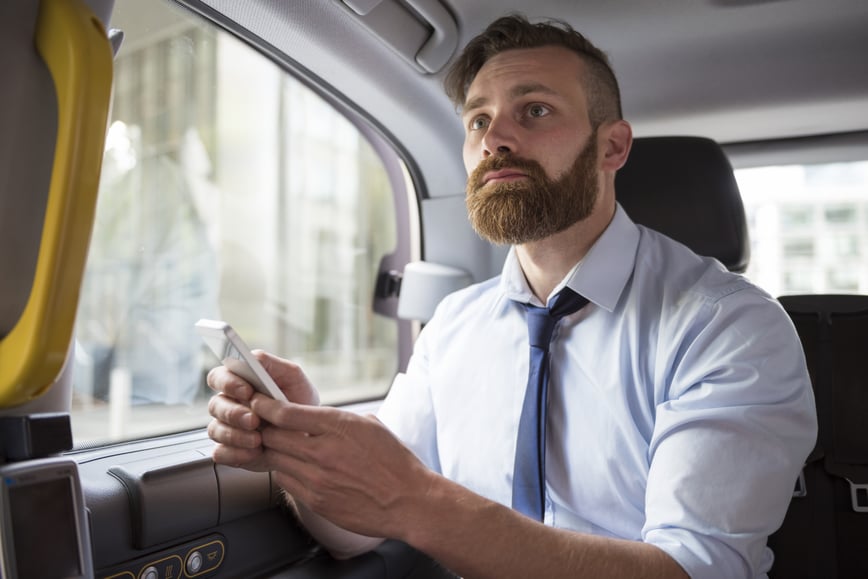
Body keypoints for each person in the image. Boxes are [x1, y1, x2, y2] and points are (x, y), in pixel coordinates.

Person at [206, 14, 817, 579]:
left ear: (612, 148)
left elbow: (692, 570)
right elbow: (352, 534)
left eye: (535, 111)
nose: (495, 138)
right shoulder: (454, 325)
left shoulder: (729, 327)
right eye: (478, 120)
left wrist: (420, 503)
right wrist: (302, 444)